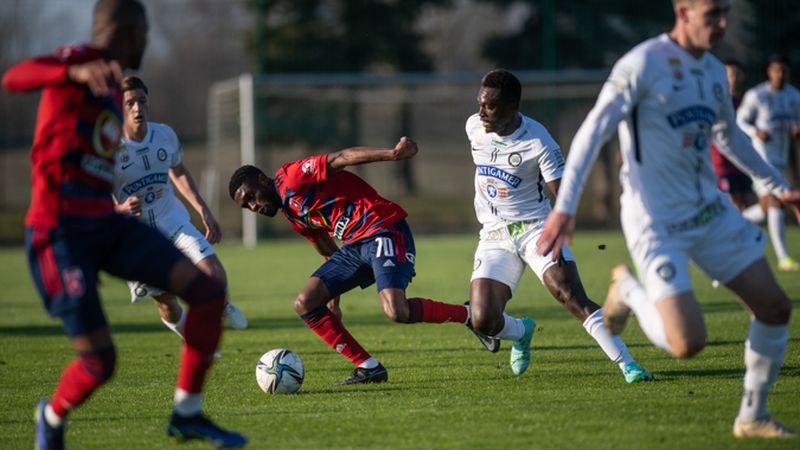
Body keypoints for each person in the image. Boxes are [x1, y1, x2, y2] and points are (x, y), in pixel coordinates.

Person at [537, 0, 800, 439]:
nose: (721, 23)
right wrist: (566, 206)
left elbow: (729, 135)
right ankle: (629, 290)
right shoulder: (642, 64)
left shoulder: (714, 71)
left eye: (725, 14)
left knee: (775, 308)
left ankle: (752, 415)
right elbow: (593, 131)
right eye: (712, 13)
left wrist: (777, 185)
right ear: (683, 12)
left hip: (709, 211)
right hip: (654, 219)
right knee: (687, 344)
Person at [1, 1, 246, 448]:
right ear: (128, 31)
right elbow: (14, 78)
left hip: (106, 226)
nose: (148, 41)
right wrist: (70, 74)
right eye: (144, 31)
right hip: (59, 232)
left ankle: (188, 413)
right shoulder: (77, 60)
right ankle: (51, 416)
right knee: (100, 362)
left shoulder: (116, 89)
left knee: (209, 291)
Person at [228, 138, 476, 385]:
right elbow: (328, 252)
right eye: (247, 206)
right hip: (354, 246)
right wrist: (334, 301)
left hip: (381, 227)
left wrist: (392, 154)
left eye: (251, 197)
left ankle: (470, 316)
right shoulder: (293, 215)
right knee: (305, 303)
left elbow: (342, 158)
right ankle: (369, 367)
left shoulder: (292, 177)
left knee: (396, 311)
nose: (254, 206)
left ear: (262, 180)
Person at [464, 69, 652, 382]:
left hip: (536, 229)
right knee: (483, 320)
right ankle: (523, 331)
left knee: (570, 295)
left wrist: (561, 230)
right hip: (494, 235)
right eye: (480, 104)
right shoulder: (474, 126)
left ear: (512, 107)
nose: (481, 112)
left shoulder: (539, 142)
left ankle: (629, 365)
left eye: (490, 106)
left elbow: (564, 193)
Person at [113, 76, 248, 339]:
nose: (137, 108)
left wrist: (203, 209)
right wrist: (120, 210)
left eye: (142, 101)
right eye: (130, 103)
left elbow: (179, 171)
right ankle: (191, 337)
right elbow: (95, 200)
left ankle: (221, 307)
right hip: (136, 235)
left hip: (170, 219)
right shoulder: (109, 149)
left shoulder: (164, 134)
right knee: (167, 301)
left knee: (214, 273)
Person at [737, 54, 800, 271]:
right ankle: (783, 258)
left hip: (780, 158)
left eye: (784, 70)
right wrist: (756, 131)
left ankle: (732, 221)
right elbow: (740, 120)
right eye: (776, 70)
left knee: (767, 208)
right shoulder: (757, 95)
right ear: (769, 72)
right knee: (775, 201)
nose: (780, 74)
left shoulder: (794, 96)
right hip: (760, 159)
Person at [711, 59, 756, 212]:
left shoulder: (748, 102)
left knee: (749, 201)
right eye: (729, 74)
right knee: (733, 203)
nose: (733, 78)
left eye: (737, 74)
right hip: (722, 160)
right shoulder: (716, 100)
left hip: (744, 160)